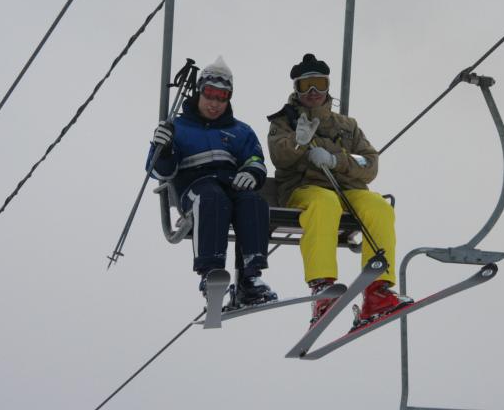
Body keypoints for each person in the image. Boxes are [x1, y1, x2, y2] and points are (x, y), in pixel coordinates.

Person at [267, 53, 412, 327]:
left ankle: (377, 291)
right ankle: (322, 286)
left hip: (347, 189)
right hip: (305, 189)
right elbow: (279, 157)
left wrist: (337, 161)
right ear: (296, 89)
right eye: (306, 85)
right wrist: (299, 143)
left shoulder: (347, 126)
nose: (313, 92)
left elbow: (369, 164)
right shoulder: (284, 122)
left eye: (320, 84)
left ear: (328, 87)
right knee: (324, 203)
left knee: (379, 207)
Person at [147, 56, 277, 306]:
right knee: (212, 198)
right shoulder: (178, 127)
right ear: (199, 92)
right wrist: (163, 149)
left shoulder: (240, 131)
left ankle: (250, 278)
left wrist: (251, 173)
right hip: (195, 186)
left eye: (222, 97)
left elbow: (255, 159)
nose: (215, 103)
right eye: (209, 95)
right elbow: (159, 171)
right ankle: (211, 273)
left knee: (253, 202)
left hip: (230, 184)